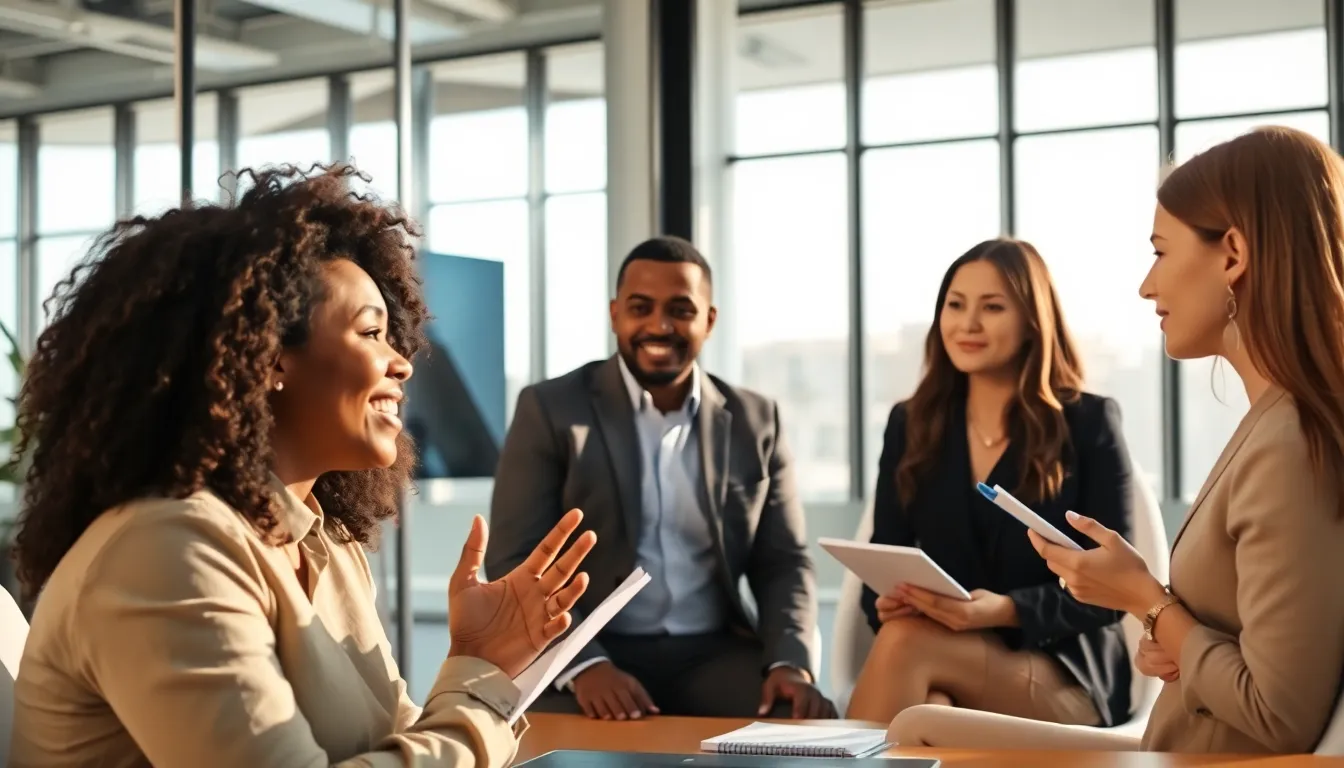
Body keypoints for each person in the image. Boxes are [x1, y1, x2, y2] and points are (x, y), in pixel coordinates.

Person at [7, 165, 597, 768]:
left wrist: (478, 658)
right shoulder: (168, 549)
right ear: (267, 357)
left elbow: (391, 748)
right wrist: (484, 703)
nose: (403, 363)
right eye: (371, 333)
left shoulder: (328, 547)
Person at [890, 126, 1344, 754]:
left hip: (1183, 757)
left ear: (1233, 255)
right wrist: (1179, 643)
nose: (1146, 285)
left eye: (1160, 252)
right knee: (917, 723)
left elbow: (1276, 714)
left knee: (913, 729)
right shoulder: (1271, 424)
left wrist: (1149, 603)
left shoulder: (1288, 443)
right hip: (1172, 741)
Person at [487, 236, 835, 720]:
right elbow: (514, 556)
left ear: (709, 320)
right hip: (588, 645)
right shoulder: (550, 409)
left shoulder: (757, 419)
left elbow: (785, 561)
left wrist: (790, 663)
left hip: (713, 653)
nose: (660, 325)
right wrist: (584, 664)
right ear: (614, 314)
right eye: (640, 307)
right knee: (530, 736)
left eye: (680, 309)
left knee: (803, 721)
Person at [845, 239, 1135, 729]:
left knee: (905, 647)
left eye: (992, 307)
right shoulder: (910, 424)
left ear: (1031, 321)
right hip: (938, 656)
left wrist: (1005, 611)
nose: (968, 324)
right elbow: (882, 563)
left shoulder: (1088, 422)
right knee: (929, 710)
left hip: (1064, 672)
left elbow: (1116, 588)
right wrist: (890, 601)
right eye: (955, 306)